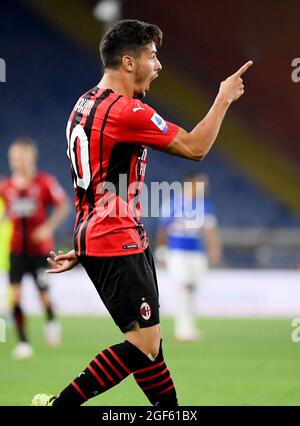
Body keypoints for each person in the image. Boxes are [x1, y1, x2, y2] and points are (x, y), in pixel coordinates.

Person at [31, 19, 252, 406]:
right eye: (152, 56)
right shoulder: (126, 111)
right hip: (116, 237)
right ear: (129, 63)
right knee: (144, 344)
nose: (159, 65)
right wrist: (224, 98)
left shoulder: (82, 105)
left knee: (151, 347)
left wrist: (84, 246)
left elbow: (93, 185)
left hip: (99, 235)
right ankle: (59, 404)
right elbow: (196, 147)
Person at [0, 138, 70, 359]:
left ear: (31, 157)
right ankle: (23, 342)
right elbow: (5, 212)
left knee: (44, 297)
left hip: (40, 251)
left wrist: (48, 228)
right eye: (14, 158)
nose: (17, 162)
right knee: (15, 296)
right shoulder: (6, 187)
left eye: (21, 157)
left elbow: (64, 205)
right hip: (16, 251)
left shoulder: (44, 182)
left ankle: (51, 321)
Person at [156, 173, 222, 342]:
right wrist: (161, 249)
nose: (203, 187)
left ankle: (190, 327)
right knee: (183, 288)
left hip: (197, 253)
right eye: (199, 183)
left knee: (193, 290)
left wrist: (214, 248)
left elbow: (209, 229)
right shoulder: (173, 203)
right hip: (177, 253)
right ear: (188, 183)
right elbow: (163, 229)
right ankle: (182, 329)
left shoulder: (204, 206)